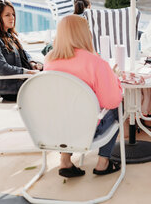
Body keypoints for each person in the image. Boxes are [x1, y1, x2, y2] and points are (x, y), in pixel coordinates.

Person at [44, 15, 123, 178]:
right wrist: (113, 78)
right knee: (117, 108)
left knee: (65, 108)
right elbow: (112, 100)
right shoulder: (96, 63)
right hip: (88, 130)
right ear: (83, 34)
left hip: (57, 130)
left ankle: (65, 160)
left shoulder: (49, 61)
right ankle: (103, 163)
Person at [0, 0, 41, 102]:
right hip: (12, 90)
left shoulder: (8, 35)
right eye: (7, 15)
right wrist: (28, 72)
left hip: (24, 83)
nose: (12, 18)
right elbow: (2, 68)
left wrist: (32, 62)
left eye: (13, 14)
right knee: (54, 88)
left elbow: (23, 52)